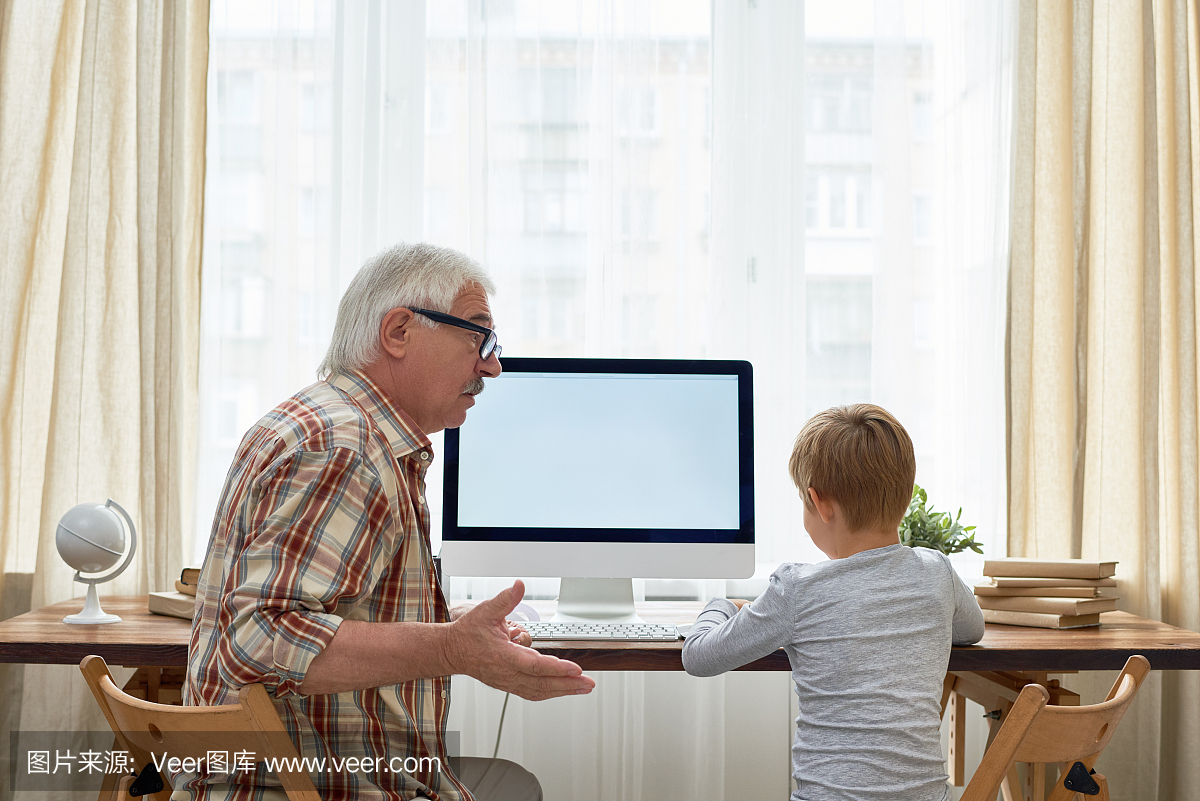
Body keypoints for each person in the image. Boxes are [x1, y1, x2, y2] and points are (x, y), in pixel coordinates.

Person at [178, 243, 595, 801]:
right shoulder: (346, 447)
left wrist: (448, 623)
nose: (492, 366)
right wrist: (452, 649)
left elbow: (316, 608)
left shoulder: (325, 421)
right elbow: (258, 639)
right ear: (398, 331)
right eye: (479, 336)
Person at [681, 404, 984, 801]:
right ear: (907, 496)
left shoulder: (797, 589)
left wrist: (721, 605)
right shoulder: (935, 571)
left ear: (819, 503)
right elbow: (971, 629)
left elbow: (699, 657)